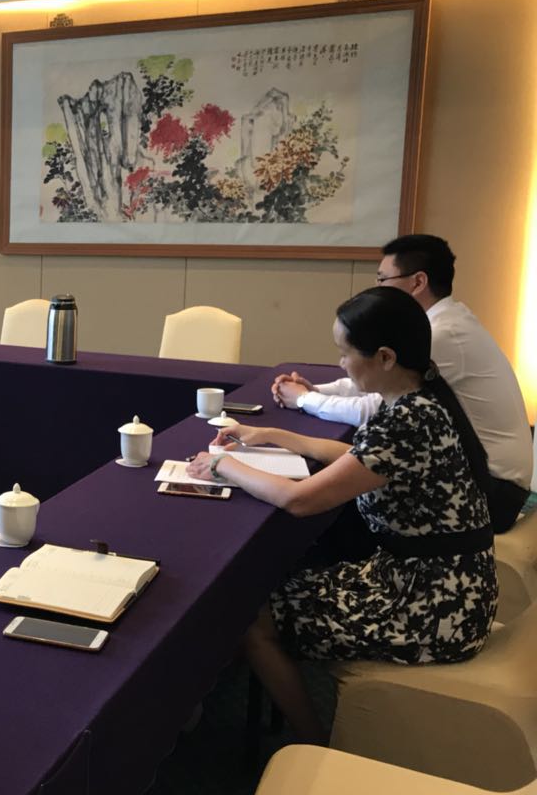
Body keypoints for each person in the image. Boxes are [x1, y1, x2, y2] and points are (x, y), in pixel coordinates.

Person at [187, 286, 497, 744]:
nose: (341, 365)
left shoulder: (406, 420)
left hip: (432, 606)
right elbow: (358, 459)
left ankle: (316, 741)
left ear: (385, 357)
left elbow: (300, 500)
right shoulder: (421, 399)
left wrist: (222, 465)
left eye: (346, 353)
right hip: (439, 582)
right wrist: (270, 435)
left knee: (252, 618)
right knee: (262, 588)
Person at [272, 234, 532, 533]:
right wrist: (316, 391)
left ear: (418, 282)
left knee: (334, 512)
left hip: (493, 491)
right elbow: (378, 380)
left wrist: (303, 400)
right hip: (480, 476)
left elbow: (371, 409)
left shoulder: (441, 335)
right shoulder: (444, 322)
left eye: (383, 279)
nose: (377, 287)